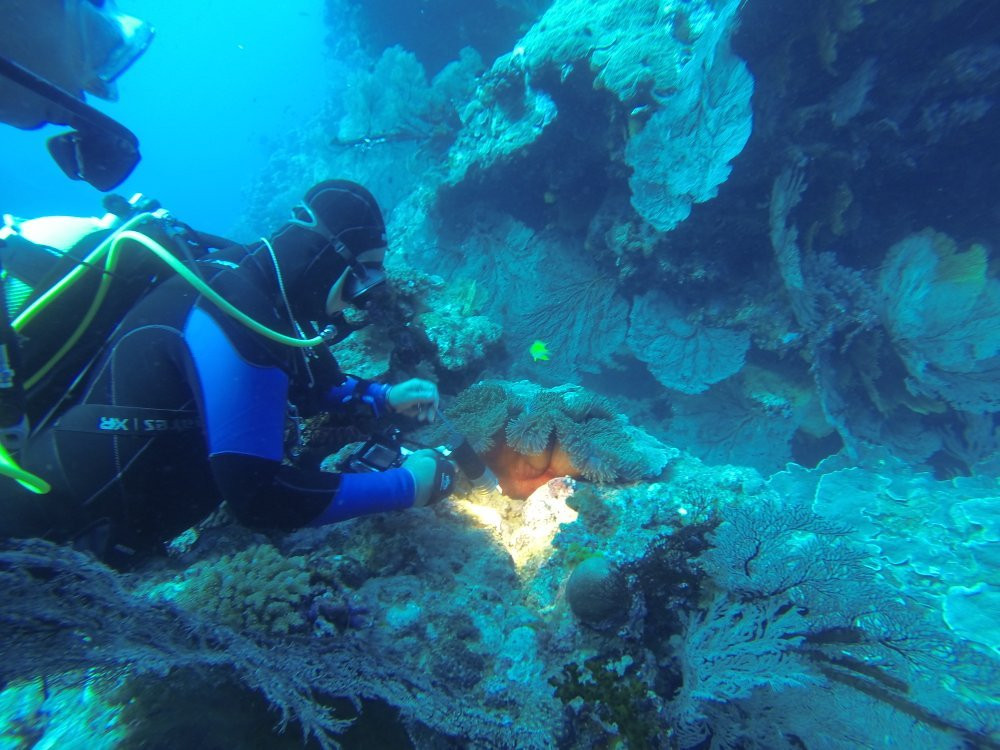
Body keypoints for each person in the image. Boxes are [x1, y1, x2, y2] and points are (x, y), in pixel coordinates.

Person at [1, 180, 455, 569]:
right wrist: (409, 485)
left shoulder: (239, 275)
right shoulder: (238, 316)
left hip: (84, 511)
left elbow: (313, 384)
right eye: (361, 277)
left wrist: (382, 396)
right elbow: (261, 498)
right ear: (325, 256)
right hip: (49, 535)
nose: (359, 298)